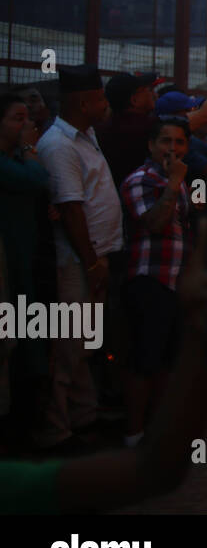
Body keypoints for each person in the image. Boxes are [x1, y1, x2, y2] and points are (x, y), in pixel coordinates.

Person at [1, 237, 207, 513]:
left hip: (138, 270)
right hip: (135, 275)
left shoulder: (11, 485)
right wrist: (206, 327)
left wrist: (206, 325)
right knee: (133, 355)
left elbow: (156, 469)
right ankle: (125, 430)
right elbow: (157, 470)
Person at [33, 66, 124, 452]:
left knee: (85, 344)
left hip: (95, 256)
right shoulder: (59, 145)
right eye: (101, 99)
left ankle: (84, 417)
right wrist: (91, 261)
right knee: (68, 346)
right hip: (75, 262)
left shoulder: (86, 136)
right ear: (84, 102)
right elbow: (71, 209)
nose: (105, 105)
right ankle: (54, 431)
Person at [118, 117, 192, 447]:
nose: (172, 149)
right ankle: (134, 434)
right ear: (151, 145)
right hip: (148, 279)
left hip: (175, 281)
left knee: (166, 359)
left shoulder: (182, 180)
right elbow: (154, 223)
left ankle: (158, 427)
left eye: (179, 142)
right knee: (144, 360)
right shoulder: (140, 180)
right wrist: (174, 185)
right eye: (165, 142)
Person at [0, 92, 51, 446]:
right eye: (17, 118)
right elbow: (35, 180)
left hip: (23, 260)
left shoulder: (14, 157)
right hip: (7, 265)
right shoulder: (13, 161)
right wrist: (33, 150)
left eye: (26, 118)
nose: (25, 125)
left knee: (27, 343)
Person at [96, 71, 158, 189]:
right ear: (134, 100)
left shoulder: (106, 127)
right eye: (147, 90)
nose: (154, 95)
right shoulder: (143, 126)